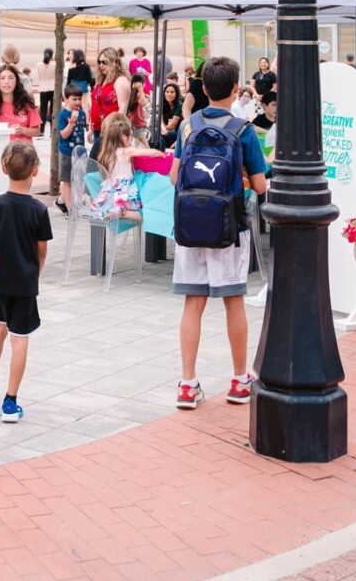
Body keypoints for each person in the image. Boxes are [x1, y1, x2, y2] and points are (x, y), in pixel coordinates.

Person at [171, 55, 267, 411]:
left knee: (192, 303)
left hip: (190, 227)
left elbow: (173, 176)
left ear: (205, 88)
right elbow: (259, 184)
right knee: (233, 300)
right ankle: (240, 379)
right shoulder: (243, 130)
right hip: (230, 228)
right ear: (234, 87)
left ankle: (187, 383)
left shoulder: (188, 126)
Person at [0, 142, 52, 424]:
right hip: (25, 284)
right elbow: (41, 250)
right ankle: (10, 402)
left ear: (3, 168)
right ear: (36, 170)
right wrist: (36, 274)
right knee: (20, 339)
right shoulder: (38, 210)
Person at [91, 113, 165, 221]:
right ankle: (124, 213)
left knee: (103, 209)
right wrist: (161, 154)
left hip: (111, 187)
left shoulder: (106, 153)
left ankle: (117, 212)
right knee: (143, 215)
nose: (131, 140)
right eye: (130, 137)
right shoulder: (126, 151)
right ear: (124, 138)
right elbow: (148, 152)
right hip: (126, 188)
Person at [0, 64, 40, 141]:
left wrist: (22, 130)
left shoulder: (26, 102)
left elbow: (36, 131)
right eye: (2, 78)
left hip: (22, 150)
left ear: (16, 81)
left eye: (10, 78)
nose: (6, 82)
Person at [89, 47, 131, 160]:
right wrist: (90, 128)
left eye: (104, 62)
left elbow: (123, 108)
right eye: (99, 62)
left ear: (113, 62)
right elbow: (94, 104)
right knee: (99, 161)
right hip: (98, 127)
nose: (101, 65)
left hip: (110, 130)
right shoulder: (101, 80)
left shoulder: (121, 81)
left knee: (98, 161)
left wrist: (113, 129)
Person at [56, 83, 87, 215]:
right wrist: (71, 123)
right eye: (74, 99)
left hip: (79, 151)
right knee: (68, 181)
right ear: (66, 98)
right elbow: (64, 135)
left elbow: (84, 129)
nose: (77, 102)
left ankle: (61, 200)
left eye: (79, 99)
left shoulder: (82, 113)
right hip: (67, 152)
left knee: (78, 179)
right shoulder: (63, 115)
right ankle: (70, 209)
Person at [127, 72, 150, 144]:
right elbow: (143, 103)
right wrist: (140, 89)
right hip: (138, 123)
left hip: (133, 122)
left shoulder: (132, 93)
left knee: (136, 144)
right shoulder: (138, 94)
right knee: (145, 147)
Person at [36, 48, 54, 136]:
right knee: (52, 110)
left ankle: (42, 130)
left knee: (43, 110)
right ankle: (52, 131)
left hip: (43, 87)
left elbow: (39, 76)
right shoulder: (55, 64)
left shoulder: (39, 64)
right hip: (53, 87)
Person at [160, 82, 184, 149]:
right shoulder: (163, 104)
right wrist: (163, 129)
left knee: (157, 132)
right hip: (166, 131)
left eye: (172, 92)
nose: (169, 94)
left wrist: (164, 130)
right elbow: (160, 121)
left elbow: (173, 125)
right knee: (160, 138)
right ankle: (161, 156)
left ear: (176, 94)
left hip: (177, 134)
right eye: (167, 92)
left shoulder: (179, 105)